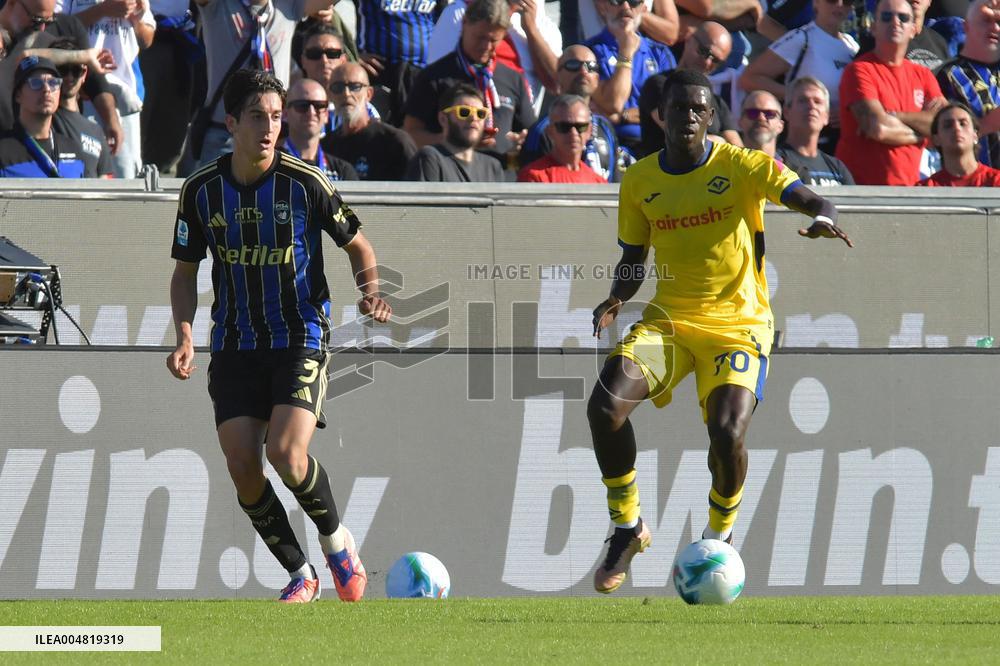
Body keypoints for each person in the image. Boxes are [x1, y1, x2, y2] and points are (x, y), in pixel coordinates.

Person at [587, 68, 852, 594]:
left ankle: (719, 534)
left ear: (710, 116)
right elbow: (634, 256)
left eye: (698, 109)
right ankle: (627, 527)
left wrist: (824, 215)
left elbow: (809, 197)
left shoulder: (743, 165)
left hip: (739, 324)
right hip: (671, 321)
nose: (687, 116)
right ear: (660, 114)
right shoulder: (639, 180)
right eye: (678, 107)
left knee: (727, 432)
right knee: (604, 407)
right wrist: (618, 296)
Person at [167, 69, 391, 604]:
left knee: (287, 454)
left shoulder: (305, 182)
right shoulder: (201, 191)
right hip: (235, 343)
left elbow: (360, 247)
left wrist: (370, 292)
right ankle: (299, 573)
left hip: (299, 336)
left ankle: (337, 545)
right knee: (243, 465)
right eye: (257, 117)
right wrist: (184, 336)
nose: (270, 128)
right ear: (230, 123)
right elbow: (184, 272)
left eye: (276, 116)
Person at [403, 0, 535, 167]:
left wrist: (521, 141)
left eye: (493, 40)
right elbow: (410, 133)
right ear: (464, 23)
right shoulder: (435, 76)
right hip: (451, 175)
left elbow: (530, 130)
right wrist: (455, 142)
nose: (486, 46)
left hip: (501, 177)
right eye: (480, 37)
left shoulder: (512, 78)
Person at [836, 0, 946, 185]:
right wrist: (923, 135)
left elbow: (942, 126)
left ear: (913, 29)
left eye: (903, 18)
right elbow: (878, 128)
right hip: (860, 190)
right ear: (873, 27)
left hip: (910, 188)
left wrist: (895, 116)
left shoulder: (923, 75)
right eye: (887, 17)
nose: (895, 22)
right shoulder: (859, 70)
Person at [738, 0, 858, 152]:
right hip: (803, 144)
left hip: (840, 142)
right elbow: (750, 78)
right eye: (831, 0)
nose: (839, 5)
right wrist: (797, 97)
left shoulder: (852, 45)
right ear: (816, 3)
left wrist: (845, 114)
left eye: (847, 2)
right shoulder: (802, 38)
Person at [57, 0, 155, 178]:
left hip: (125, 96)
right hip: (81, 90)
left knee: (126, 176)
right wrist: (102, 10)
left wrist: (134, 18)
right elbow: (58, 27)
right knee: (84, 169)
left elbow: (147, 39)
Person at [427, 0, 562, 116]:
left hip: (518, 129)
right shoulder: (462, 13)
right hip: (466, 123)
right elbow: (436, 80)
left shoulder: (545, 26)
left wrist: (531, 30)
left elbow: (556, 85)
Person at [520, 44, 627, 181]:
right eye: (573, 65)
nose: (583, 71)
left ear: (597, 77)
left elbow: (614, 179)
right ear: (558, 73)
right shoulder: (544, 128)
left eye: (591, 66)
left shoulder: (605, 127)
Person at [638, 24, 742, 158]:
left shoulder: (716, 101)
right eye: (704, 51)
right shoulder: (660, 86)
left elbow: (738, 151)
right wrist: (721, 141)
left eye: (716, 60)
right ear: (688, 40)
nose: (707, 62)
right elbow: (685, 137)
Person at [586, 0, 676, 151]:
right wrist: (626, 52)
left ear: (644, 9)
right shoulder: (588, 52)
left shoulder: (660, 54)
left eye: (634, 1)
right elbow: (613, 102)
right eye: (617, 1)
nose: (626, 7)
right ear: (602, 7)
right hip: (609, 144)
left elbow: (670, 113)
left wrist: (621, 116)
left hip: (657, 147)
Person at [321, 62, 416, 180]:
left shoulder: (394, 142)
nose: (346, 94)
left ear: (369, 94)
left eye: (355, 87)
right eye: (337, 88)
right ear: (330, 95)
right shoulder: (325, 147)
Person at [936, 0, 1000, 169]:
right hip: (974, 186)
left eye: (999, 22)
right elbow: (936, 137)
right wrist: (986, 125)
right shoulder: (947, 75)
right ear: (967, 26)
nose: (995, 28)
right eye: (986, 20)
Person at [0, 55, 87, 176]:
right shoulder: (3, 151)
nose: (47, 89)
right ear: (18, 95)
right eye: (36, 83)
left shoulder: (73, 149)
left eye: (53, 83)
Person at [405, 83, 504, 182]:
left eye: (480, 113)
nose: (474, 118)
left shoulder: (493, 167)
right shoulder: (430, 158)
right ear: (443, 119)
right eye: (464, 112)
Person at [50, 38, 114, 177]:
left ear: (84, 74)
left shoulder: (95, 130)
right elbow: (26, 58)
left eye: (76, 70)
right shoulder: (41, 117)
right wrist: (82, 56)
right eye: (62, 70)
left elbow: (106, 180)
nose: (69, 77)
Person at [777, 77, 854, 185]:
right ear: (786, 112)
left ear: (827, 116)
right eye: (803, 101)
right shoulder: (776, 161)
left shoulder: (837, 169)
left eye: (817, 102)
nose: (811, 106)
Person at [517, 94, 607, 182]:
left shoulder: (598, 182)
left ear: (589, 131)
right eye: (564, 126)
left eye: (580, 127)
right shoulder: (533, 177)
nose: (573, 133)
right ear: (550, 131)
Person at [281, 78, 358, 181]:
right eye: (302, 106)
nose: (311, 112)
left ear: (326, 114)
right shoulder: (268, 165)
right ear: (285, 114)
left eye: (319, 106)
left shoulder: (342, 171)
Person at [918, 102, 1000, 185]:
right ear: (936, 139)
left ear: (975, 135)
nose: (957, 128)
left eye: (963, 123)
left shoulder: (996, 181)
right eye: (948, 125)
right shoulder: (926, 187)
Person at [739, 89, 783, 156]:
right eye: (752, 113)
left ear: (780, 126)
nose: (761, 118)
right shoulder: (723, 164)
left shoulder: (791, 166)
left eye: (770, 114)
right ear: (740, 122)